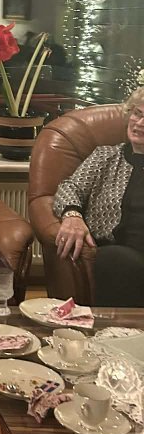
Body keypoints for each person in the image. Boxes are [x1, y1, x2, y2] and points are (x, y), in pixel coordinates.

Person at [53, 88, 144, 306]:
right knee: (118, 261)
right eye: (137, 114)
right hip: (120, 251)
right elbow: (70, 187)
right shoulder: (105, 156)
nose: (140, 123)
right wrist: (72, 215)